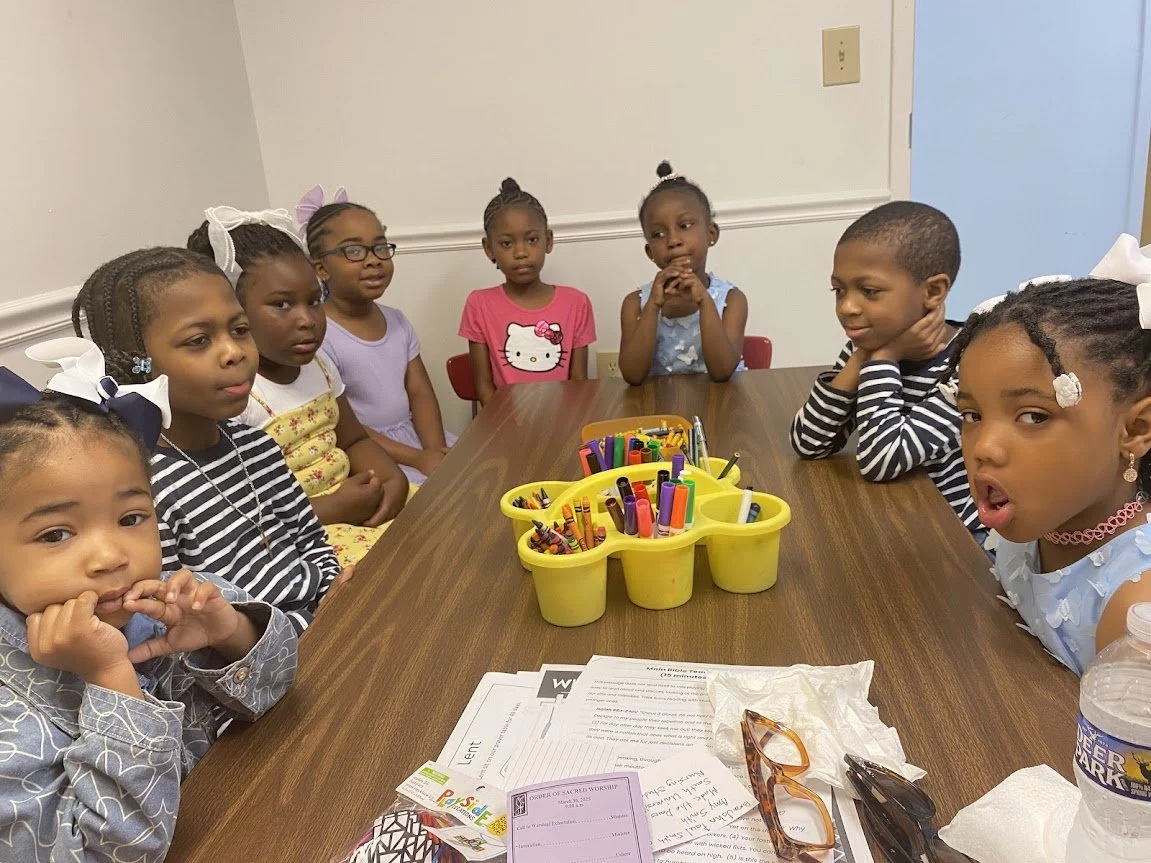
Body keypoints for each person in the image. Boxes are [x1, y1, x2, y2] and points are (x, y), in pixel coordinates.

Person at [0, 349, 296, 862]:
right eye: (56, 533)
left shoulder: (173, 600)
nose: (112, 556)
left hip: (256, 816)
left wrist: (229, 633)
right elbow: (105, 853)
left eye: (132, 517)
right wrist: (111, 679)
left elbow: (278, 690)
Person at [72, 247, 347, 634]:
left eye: (239, 330)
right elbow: (174, 626)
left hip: (331, 620)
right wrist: (309, 626)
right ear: (139, 363)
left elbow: (312, 542)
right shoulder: (143, 490)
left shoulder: (258, 446)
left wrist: (336, 593)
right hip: (254, 660)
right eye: (199, 340)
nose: (234, 352)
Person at [952, 234, 1151, 674]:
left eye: (1033, 417)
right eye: (972, 414)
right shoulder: (1043, 517)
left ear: (1136, 429)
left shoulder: (1136, 610)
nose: (983, 447)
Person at [188, 208, 408, 566]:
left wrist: (391, 478)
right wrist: (329, 508)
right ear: (232, 312)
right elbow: (238, 513)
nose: (307, 320)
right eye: (282, 305)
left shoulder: (319, 366)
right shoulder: (237, 394)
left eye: (314, 300)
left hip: (355, 504)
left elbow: (354, 439)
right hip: (297, 537)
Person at [789, 201, 979, 535]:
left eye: (869, 291)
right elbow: (809, 443)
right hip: (892, 520)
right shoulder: (870, 345)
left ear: (933, 291)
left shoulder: (972, 367)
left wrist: (884, 357)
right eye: (839, 290)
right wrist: (866, 356)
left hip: (957, 540)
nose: (847, 307)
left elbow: (883, 458)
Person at [299, 189, 456, 485]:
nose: (373, 260)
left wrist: (434, 450)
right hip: (371, 453)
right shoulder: (319, 336)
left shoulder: (397, 321)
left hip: (416, 440)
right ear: (320, 268)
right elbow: (343, 426)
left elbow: (420, 393)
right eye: (354, 251)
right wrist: (417, 459)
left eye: (380, 247)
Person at [459, 178, 596, 407]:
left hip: (561, 425)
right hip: (505, 427)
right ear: (488, 249)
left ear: (548, 241)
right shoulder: (479, 304)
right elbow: (484, 387)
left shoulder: (576, 303)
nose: (521, 252)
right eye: (506, 243)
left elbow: (579, 382)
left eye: (531, 240)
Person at [619, 161, 747, 384]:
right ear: (650, 251)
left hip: (723, 409)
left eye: (685, 225)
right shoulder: (635, 304)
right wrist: (653, 307)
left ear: (711, 234)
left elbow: (722, 371)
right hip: (660, 414)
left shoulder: (732, 300)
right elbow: (632, 376)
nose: (673, 241)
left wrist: (704, 301)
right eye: (658, 234)